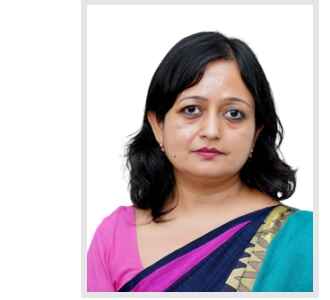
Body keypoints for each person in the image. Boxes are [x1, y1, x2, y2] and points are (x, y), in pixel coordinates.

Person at [87, 31, 313, 292]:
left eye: (234, 113)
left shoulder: (304, 240)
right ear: (158, 125)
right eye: (191, 110)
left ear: (256, 132)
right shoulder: (115, 236)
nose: (212, 131)